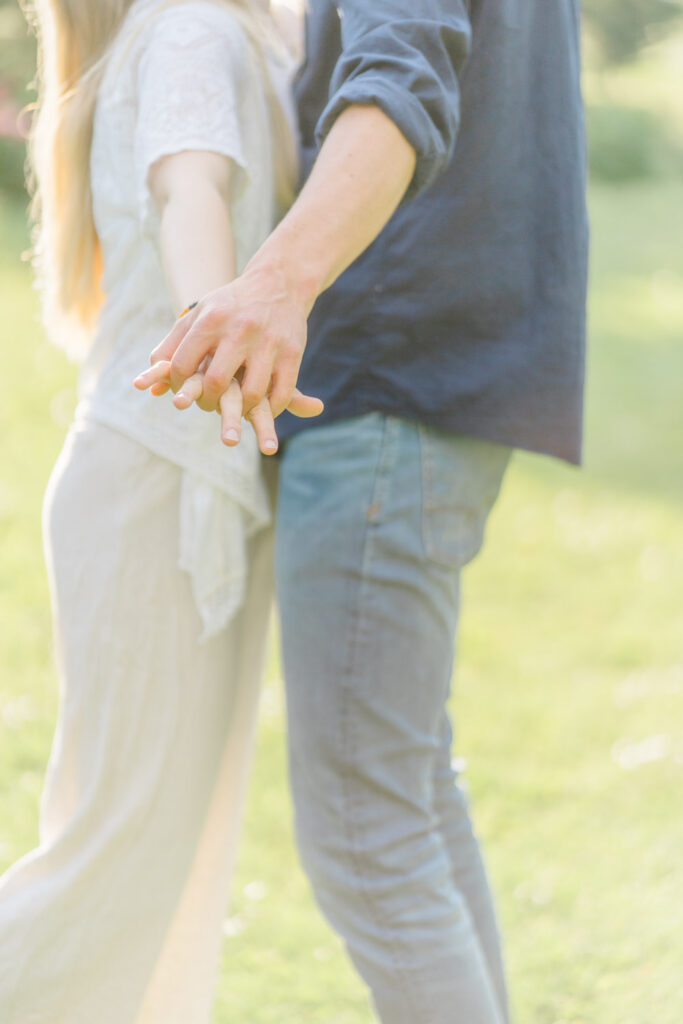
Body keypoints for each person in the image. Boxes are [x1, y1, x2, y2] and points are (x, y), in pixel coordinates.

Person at [138, 2, 588, 1022]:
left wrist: (277, 284)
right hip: (453, 378)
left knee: (363, 835)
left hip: (389, 382)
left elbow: (400, 72)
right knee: (409, 794)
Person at [0, 2, 320, 1022]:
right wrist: (210, 321)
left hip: (162, 474)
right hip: (152, 481)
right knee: (112, 860)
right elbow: (190, 182)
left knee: (156, 865)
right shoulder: (188, 25)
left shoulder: (218, 25)